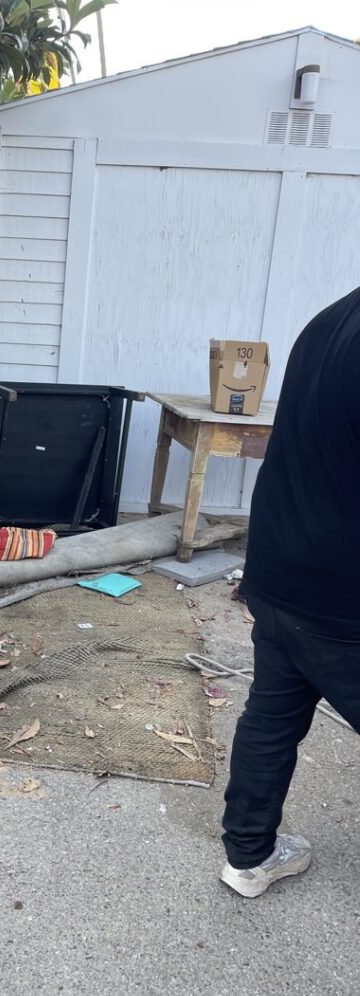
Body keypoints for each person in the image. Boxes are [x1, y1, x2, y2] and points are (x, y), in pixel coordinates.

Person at [221, 286, 360, 898]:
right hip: (345, 593)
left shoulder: (329, 318)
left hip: (280, 566)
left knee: (272, 714)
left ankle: (248, 856)